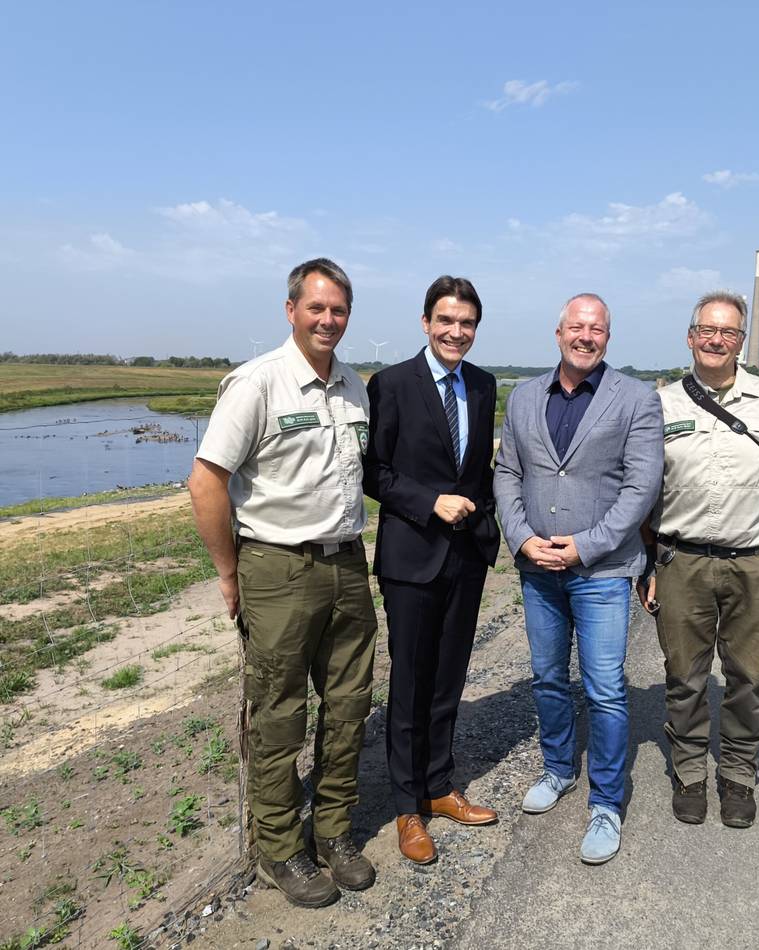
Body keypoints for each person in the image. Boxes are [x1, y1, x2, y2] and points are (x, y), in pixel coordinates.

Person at [189, 258, 378, 908]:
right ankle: (278, 849)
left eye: (339, 310)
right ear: (291, 309)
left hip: (347, 563)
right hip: (277, 566)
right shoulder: (258, 383)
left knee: (350, 707)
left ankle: (333, 835)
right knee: (278, 716)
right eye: (317, 308)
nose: (329, 320)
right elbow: (207, 480)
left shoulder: (355, 386)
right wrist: (228, 571)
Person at [494, 293, 664, 864]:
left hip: (602, 571)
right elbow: (507, 473)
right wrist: (521, 538)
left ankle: (607, 804)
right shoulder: (522, 396)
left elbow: (641, 488)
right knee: (546, 676)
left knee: (606, 689)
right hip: (538, 567)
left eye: (597, 329)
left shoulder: (637, 398)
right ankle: (559, 768)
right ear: (559, 331)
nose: (585, 336)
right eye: (576, 326)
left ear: (608, 338)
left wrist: (583, 548)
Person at [639, 290, 759, 828]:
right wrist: (650, 563)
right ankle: (690, 770)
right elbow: (642, 491)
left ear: (741, 341)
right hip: (682, 563)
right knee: (684, 676)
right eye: (708, 330)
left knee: (749, 676)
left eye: (730, 332)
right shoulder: (662, 404)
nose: (718, 339)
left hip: (756, 565)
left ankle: (738, 774)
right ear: (691, 336)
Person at [363, 275, 501, 865]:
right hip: (412, 558)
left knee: (449, 679)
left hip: (465, 557)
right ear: (426, 323)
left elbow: (478, 472)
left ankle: (440, 786)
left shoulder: (484, 384)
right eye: (446, 321)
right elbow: (375, 473)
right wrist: (430, 502)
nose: (456, 332)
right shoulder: (391, 384)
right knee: (410, 683)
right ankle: (406, 807)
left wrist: (486, 525)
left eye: (466, 323)